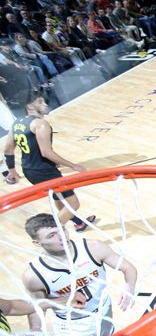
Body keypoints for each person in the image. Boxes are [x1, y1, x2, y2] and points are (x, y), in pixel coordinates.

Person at [21, 213, 137, 336]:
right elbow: (38, 306)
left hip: (104, 311)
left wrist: (129, 285)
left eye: (62, 229)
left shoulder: (93, 247)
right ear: (37, 243)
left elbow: (127, 267)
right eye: (51, 235)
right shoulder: (33, 275)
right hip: (73, 326)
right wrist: (35, 328)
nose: (61, 237)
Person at [3, 90, 97, 231]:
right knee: (73, 203)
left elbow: (8, 149)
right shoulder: (40, 124)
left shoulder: (17, 123)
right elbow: (46, 152)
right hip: (43, 171)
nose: (45, 104)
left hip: (29, 169)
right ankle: (49, 234)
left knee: (59, 197)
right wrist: (73, 166)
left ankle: (78, 222)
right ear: (30, 106)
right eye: (40, 102)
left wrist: (12, 171)